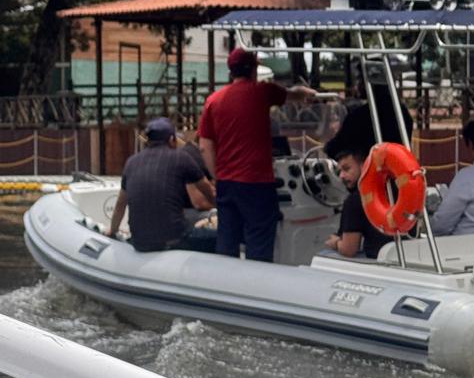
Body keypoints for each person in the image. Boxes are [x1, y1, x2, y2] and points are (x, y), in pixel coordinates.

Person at [197, 48, 320, 262]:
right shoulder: (262, 91)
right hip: (257, 182)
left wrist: (217, 176)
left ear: (231, 71)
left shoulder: (213, 101)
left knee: (227, 243)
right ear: (253, 69)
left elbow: (204, 146)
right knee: (259, 243)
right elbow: (294, 94)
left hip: (227, 183)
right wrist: (308, 94)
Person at [106, 117, 217, 252]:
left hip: (140, 242)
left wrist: (112, 231)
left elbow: (120, 205)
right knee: (224, 236)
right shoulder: (181, 157)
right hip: (176, 240)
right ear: (172, 140)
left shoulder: (131, 162)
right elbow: (210, 193)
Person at [323, 148, 392, 260]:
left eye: (346, 169)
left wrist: (335, 242)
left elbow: (348, 249)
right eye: (339, 171)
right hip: (400, 255)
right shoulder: (393, 189)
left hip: (375, 260)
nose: (341, 176)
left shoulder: (354, 201)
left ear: (363, 166)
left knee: (324, 255)